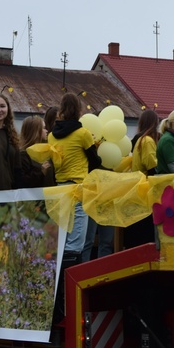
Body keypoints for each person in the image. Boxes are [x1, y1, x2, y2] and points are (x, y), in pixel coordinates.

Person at [49, 93, 102, 265]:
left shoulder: (51, 136)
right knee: (76, 241)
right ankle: (71, 280)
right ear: (79, 110)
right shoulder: (83, 133)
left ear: (61, 110)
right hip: (77, 187)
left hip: (60, 188)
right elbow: (95, 160)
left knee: (64, 235)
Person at [125, 110, 160, 249]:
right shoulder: (148, 140)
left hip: (138, 185)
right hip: (146, 187)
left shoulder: (139, 139)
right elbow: (151, 164)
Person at [19, 115, 54, 188]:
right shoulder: (23, 154)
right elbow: (22, 181)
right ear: (36, 131)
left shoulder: (47, 150)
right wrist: (41, 172)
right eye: (44, 128)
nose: (47, 131)